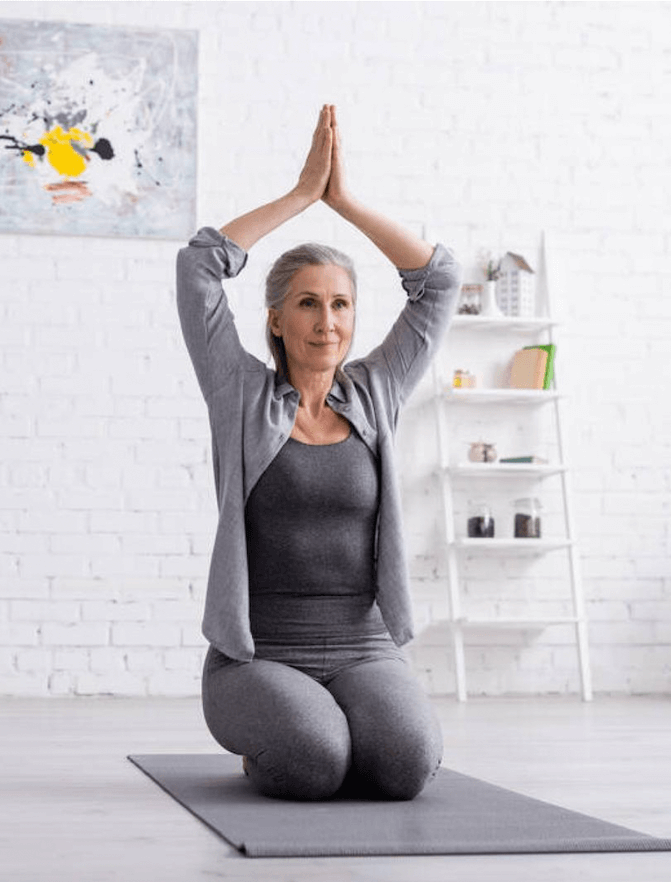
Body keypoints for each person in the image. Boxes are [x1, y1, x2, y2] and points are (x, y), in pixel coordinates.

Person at [176, 105, 462, 801]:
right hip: (260, 653)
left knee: (405, 768)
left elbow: (439, 283)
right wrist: (303, 195)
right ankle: (294, 730)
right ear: (276, 318)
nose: (326, 322)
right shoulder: (240, 395)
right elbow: (198, 269)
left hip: (364, 647)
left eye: (340, 305)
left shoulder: (376, 392)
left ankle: (347, 722)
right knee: (314, 763)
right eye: (308, 304)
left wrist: (346, 202)